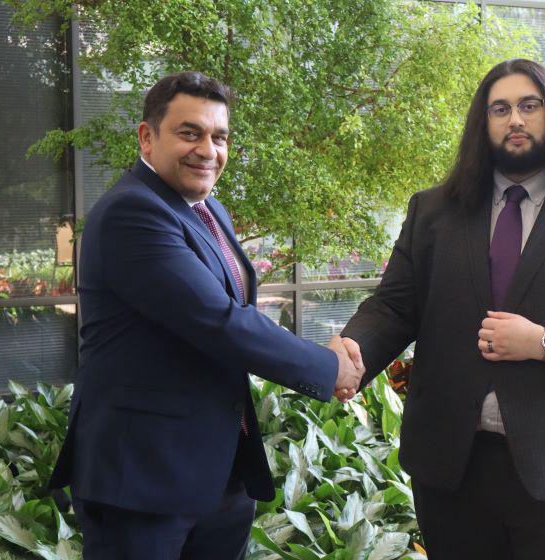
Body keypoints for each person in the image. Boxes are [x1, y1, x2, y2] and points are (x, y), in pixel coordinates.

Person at [337, 59, 545, 558]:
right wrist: (350, 352)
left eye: (529, 105)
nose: (515, 119)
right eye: (500, 109)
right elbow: (394, 305)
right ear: (483, 122)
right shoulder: (433, 211)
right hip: (454, 467)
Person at [49, 71, 363, 560]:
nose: (208, 150)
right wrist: (328, 366)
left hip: (217, 473)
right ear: (147, 137)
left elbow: (232, 316)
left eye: (220, 137)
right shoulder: (132, 212)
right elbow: (219, 321)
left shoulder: (208, 210)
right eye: (189, 133)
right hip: (141, 480)